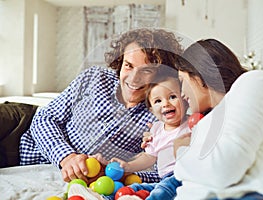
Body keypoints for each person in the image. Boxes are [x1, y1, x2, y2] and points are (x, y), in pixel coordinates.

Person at [19, 28, 184, 184]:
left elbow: (164, 171)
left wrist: (115, 172)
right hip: (27, 158)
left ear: (161, 74)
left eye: (146, 70)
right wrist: (67, 157)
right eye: (129, 65)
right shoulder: (94, 78)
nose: (134, 79)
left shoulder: (163, 114)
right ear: (120, 62)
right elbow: (45, 117)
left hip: (79, 180)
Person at [172, 39, 263, 199]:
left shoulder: (255, 82)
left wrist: (182, 152)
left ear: (198, 76)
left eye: (182, 81)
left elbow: (223, 169)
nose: (182, 93)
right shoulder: (211, 120)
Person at [111, 65, 189, 199]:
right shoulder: (156, 130)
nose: (165, 104)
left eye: (172, 97)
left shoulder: (192, 124)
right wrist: (128, 166)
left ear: (185, 100)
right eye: (158, 101)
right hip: (164, 179)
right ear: (152, 110)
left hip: (183, 176)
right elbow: (149, 157)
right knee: (134, 188)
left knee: (160, 192)